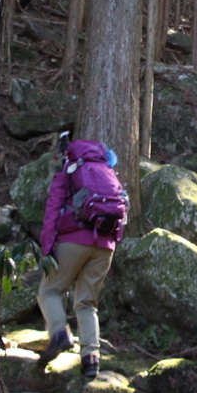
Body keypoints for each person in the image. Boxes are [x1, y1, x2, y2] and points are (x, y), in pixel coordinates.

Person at [36, 134, 123, 379]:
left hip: (74, 240)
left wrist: (47, 247)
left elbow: (53, 210)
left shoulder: (67, 173)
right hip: (106, 243)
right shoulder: (107, 171)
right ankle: (91, 359)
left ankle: (59, 334)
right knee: (87, 303)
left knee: (49, 291)